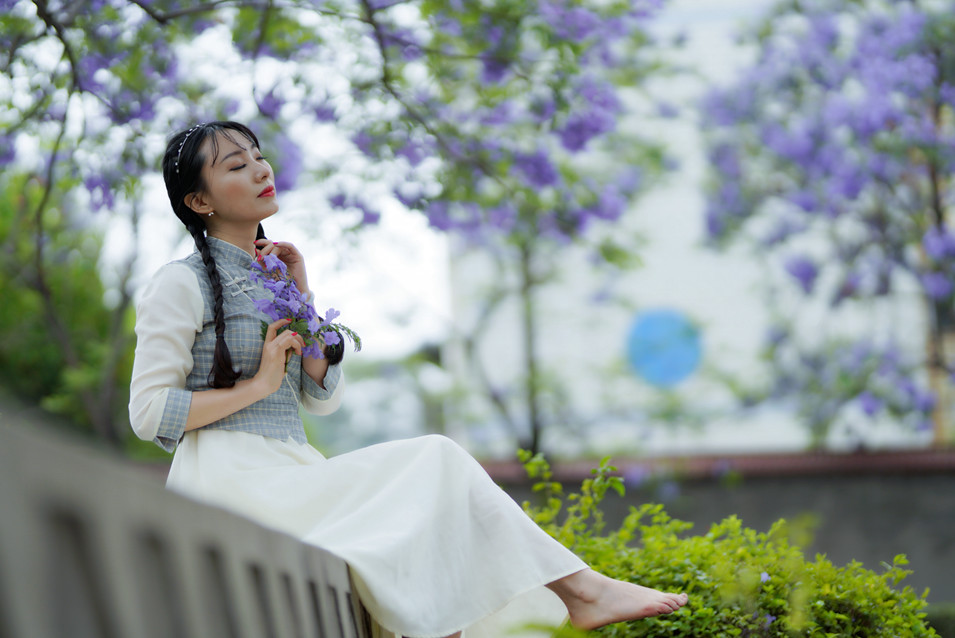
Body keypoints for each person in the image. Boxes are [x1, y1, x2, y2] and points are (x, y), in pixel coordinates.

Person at [129, 121, 688, 638]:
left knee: (426, 513)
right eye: (235, 165)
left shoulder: (275, 275)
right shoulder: (179, 284)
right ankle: (582, 592)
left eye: (259, 156)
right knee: (436, 462)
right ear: (198, 201)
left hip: (292, 471)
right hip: (232, 483)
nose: (260, 169)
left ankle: (567, 598)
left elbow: (319, 397)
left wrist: (303, 293)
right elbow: (150, 412)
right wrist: (252, 388)